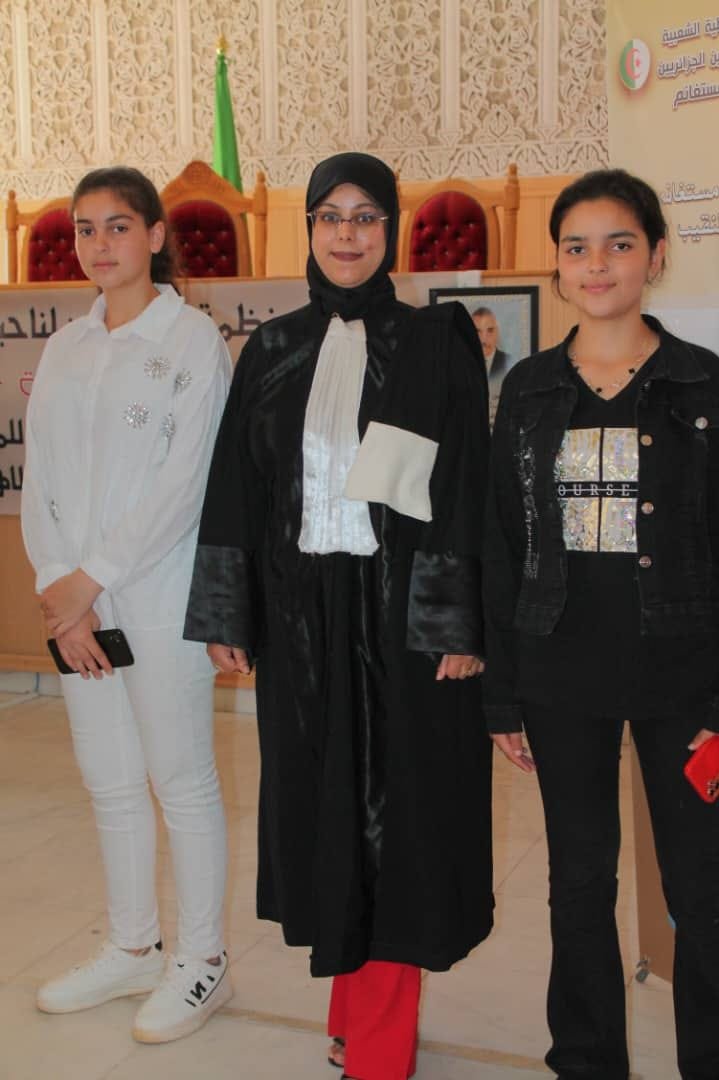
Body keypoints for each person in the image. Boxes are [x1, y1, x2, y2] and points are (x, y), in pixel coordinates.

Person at [184, 152, 494, 1080]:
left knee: (399, 825)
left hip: (404, 624)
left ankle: (381, 1044)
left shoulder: (434, 343)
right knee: (328, 816)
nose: (347, 234)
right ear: (309, 229)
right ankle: (350, 1008)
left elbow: (464, 487)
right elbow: (236, 487)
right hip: (304, 628)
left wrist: (454, 623)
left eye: (366, 216)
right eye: (330, 216)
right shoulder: (271, 349)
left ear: (391, 229)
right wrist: (229, 612)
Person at [484, 168, 719, 1080]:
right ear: (557, 266)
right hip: (561, 674)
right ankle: (586, 1060)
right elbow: (502, 543)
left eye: (619, 244)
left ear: (655, 256)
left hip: (686, 677)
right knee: (578, 886)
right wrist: (503, 693)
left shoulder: (703, 384)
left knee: (704, 890)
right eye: (576, 247)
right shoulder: (529, 391)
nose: (597, 264)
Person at [21, 166, 232, 1044]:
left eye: (117, 226)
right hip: (77, 608)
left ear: (154, 235)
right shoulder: (65, 348)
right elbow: (42, 478)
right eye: (85, 228)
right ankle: (133, 946)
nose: (99, 244)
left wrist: (93, 578)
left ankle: (203, 958)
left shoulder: (192, 341)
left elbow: (184, 486)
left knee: (180, 780)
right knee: (109, 782)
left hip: (158, 595)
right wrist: (61, 589)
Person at [472, 307, 511, 425]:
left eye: (490, 330)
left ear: (497, 332)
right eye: (477, 331)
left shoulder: (510, 363)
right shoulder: (458, 366)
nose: (483, 339)